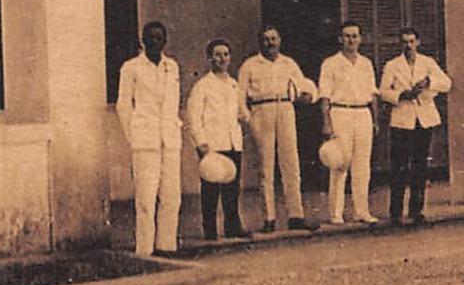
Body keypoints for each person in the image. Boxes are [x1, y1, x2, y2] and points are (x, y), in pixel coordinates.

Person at [236, 26, 317, 233]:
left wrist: (307, 96)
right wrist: (249, 120)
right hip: (261, 110)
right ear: (259, 42)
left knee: (291, 162)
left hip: (285, 109)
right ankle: (269, 217)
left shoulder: (288, 64)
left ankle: (296, 215)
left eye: (273, 39)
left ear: (280, 40)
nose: (270, 43)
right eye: (265, 39)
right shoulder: (250, 65)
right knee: (266, 166)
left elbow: (306, 86)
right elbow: (240, 97)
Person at [116, 21, 182, 256]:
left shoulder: (171, 67)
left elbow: (173, 103)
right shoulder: (131, 68)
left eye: (159, 38)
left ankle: (167, 245)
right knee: (146, 197)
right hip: (145, 141)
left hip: (170, 139)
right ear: (143, 41)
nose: (155, 42)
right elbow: (123, 106)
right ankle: (145, 249)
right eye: (151, 38)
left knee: (172, 195)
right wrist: (134, 136)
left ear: (165, 41)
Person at [379, 26, 452, 225]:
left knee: (420, 165)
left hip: (423, 119)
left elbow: (446, 83)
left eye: (412, 42)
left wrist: (429, 82)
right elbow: (383, 91)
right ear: (399, 44)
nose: (408, 46)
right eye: (404, 42)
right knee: (399, 166)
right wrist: (401, 95)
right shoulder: (392, 65)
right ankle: (395, 212)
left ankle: (416, 210)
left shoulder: (427, 63)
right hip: (402, 119)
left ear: (418, 43)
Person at [317, 21, 380, 226]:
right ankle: (336, 213)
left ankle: (362, 211)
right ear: (340, 39)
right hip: (340, 112)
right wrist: (326, 122)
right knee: (339, 163)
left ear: (360, 39)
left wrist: (375, 120)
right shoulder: (330, 63)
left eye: (354, 36)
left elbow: (373, 94)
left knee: (363, 165)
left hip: (362, 113)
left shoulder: (366, 63)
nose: (351, 40)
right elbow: (324, 95)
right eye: (347, 36)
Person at [187, 38, 249, 241]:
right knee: (211, 190)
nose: (222, 58)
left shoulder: (233, 84)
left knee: (232, 188)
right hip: (213, 144)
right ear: (209, 58)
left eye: (225, 54)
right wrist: (201, 143)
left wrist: (244, 116)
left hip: (232, 142)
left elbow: (242, 110)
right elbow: (194, 116)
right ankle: (210, 230)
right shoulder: (203, 85)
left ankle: (233, 226)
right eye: (217, 54)